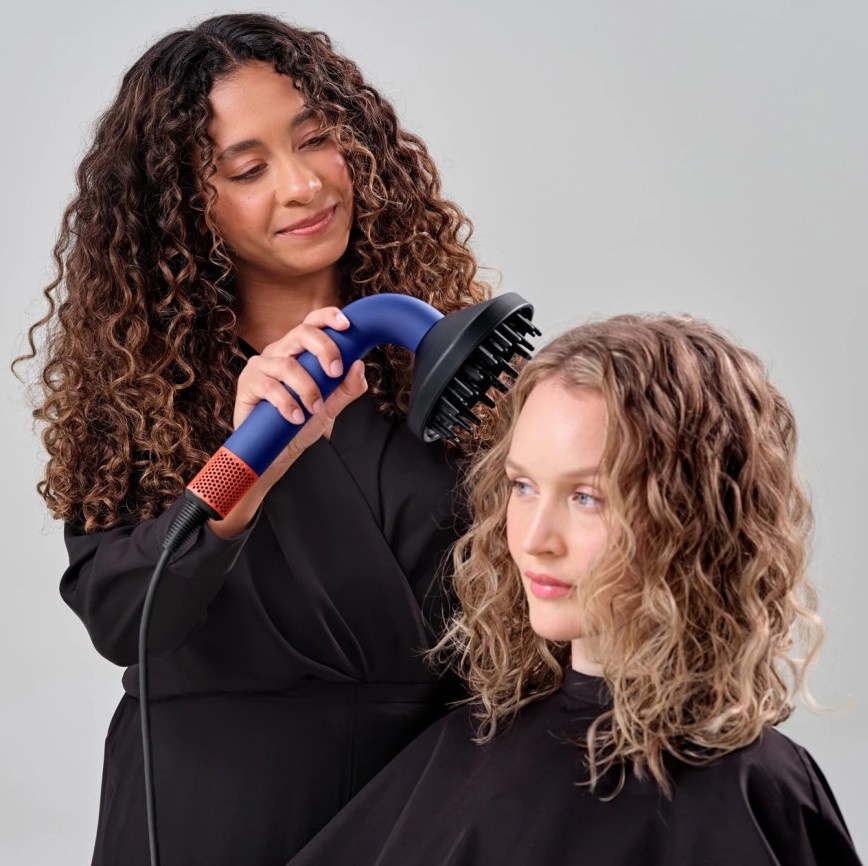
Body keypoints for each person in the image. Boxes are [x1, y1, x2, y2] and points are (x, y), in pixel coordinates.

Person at [20, 13, 494, 865]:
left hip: (433, 809)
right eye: (248, 169)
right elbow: (126, 617)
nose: (305, 186)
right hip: (218, 816)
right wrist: (249, 465)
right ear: (185, 209)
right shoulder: (144, 402)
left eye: (315, 141)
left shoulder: (447, 365)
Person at [287, 314, 863, 866]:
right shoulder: (466, 746)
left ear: (693, 515)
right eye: (523, 486)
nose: (535, 539)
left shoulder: (751, 792)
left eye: (586, 497)